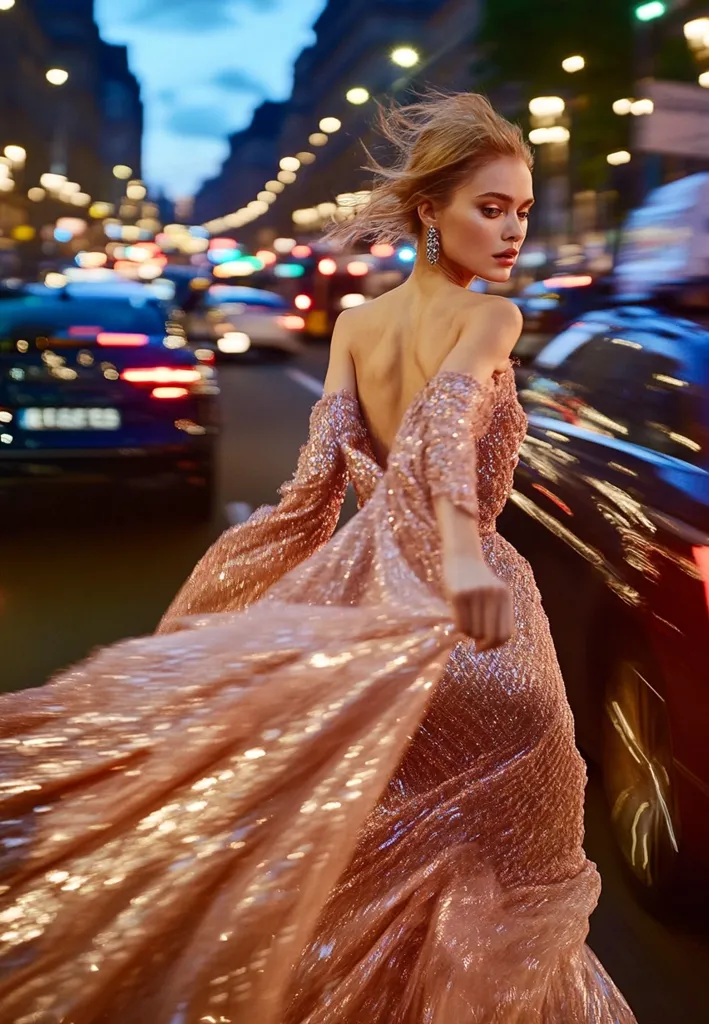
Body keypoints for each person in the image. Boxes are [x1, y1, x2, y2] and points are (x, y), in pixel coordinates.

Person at [0, 93, 637, 1022]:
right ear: (432, 211)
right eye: (489, 208)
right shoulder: (490, 320)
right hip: (481, 630)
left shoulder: (354, 330)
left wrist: (223, 618)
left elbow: (309, 496)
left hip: (373, 627)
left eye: (522, 210)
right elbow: (445, 431)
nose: (510, 231)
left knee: (380, 876)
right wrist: (458, 561)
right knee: (516, 891)